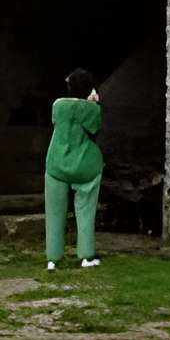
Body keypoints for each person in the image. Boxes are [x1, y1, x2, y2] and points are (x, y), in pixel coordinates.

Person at [44, 69, 103, 270]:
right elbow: (94, 130)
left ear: (69, 87)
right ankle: (86, 256)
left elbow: (57, 123)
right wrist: (93, 103)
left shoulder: (58, 105)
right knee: (86, 211)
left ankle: (53, 259)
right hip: (86, 164)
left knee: (54, 212)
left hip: (57, 163)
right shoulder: (93, 109)